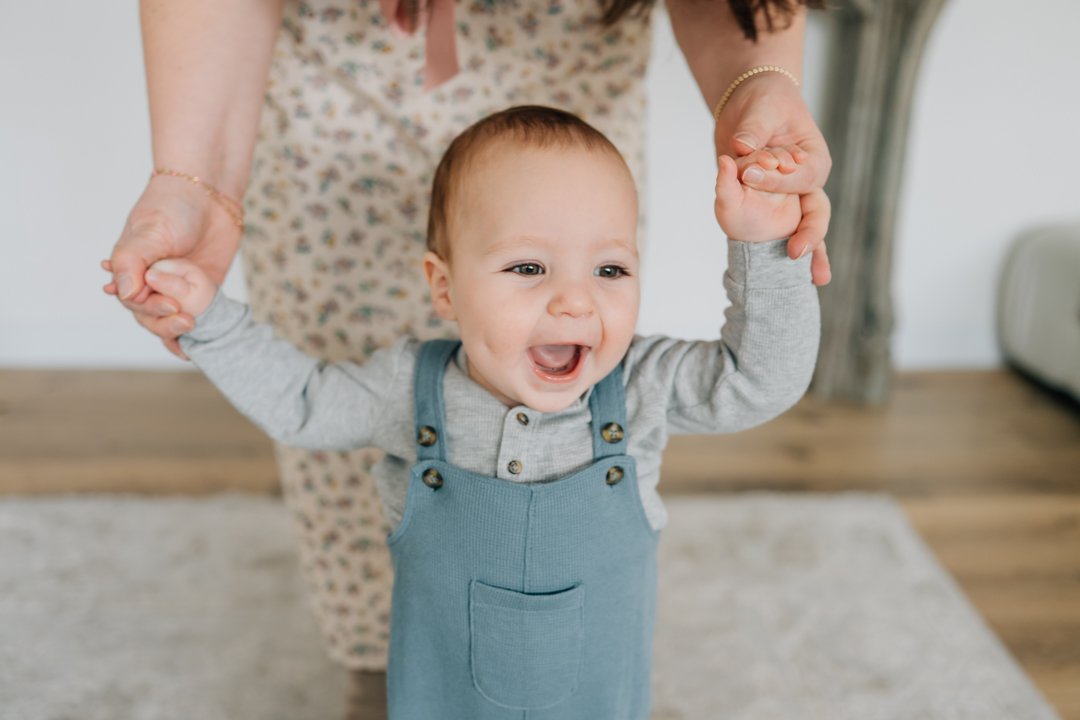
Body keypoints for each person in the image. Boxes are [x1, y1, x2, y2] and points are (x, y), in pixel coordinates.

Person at [104, 1, 832, 715]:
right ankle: (365, 669)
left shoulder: (640, 386)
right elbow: (302, 405)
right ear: (444, 289)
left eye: (610, 271)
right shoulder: (410, 391)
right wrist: (208, 320)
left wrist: (765, 248)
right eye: (527, 269)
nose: (576, 303)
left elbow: (758, 381)